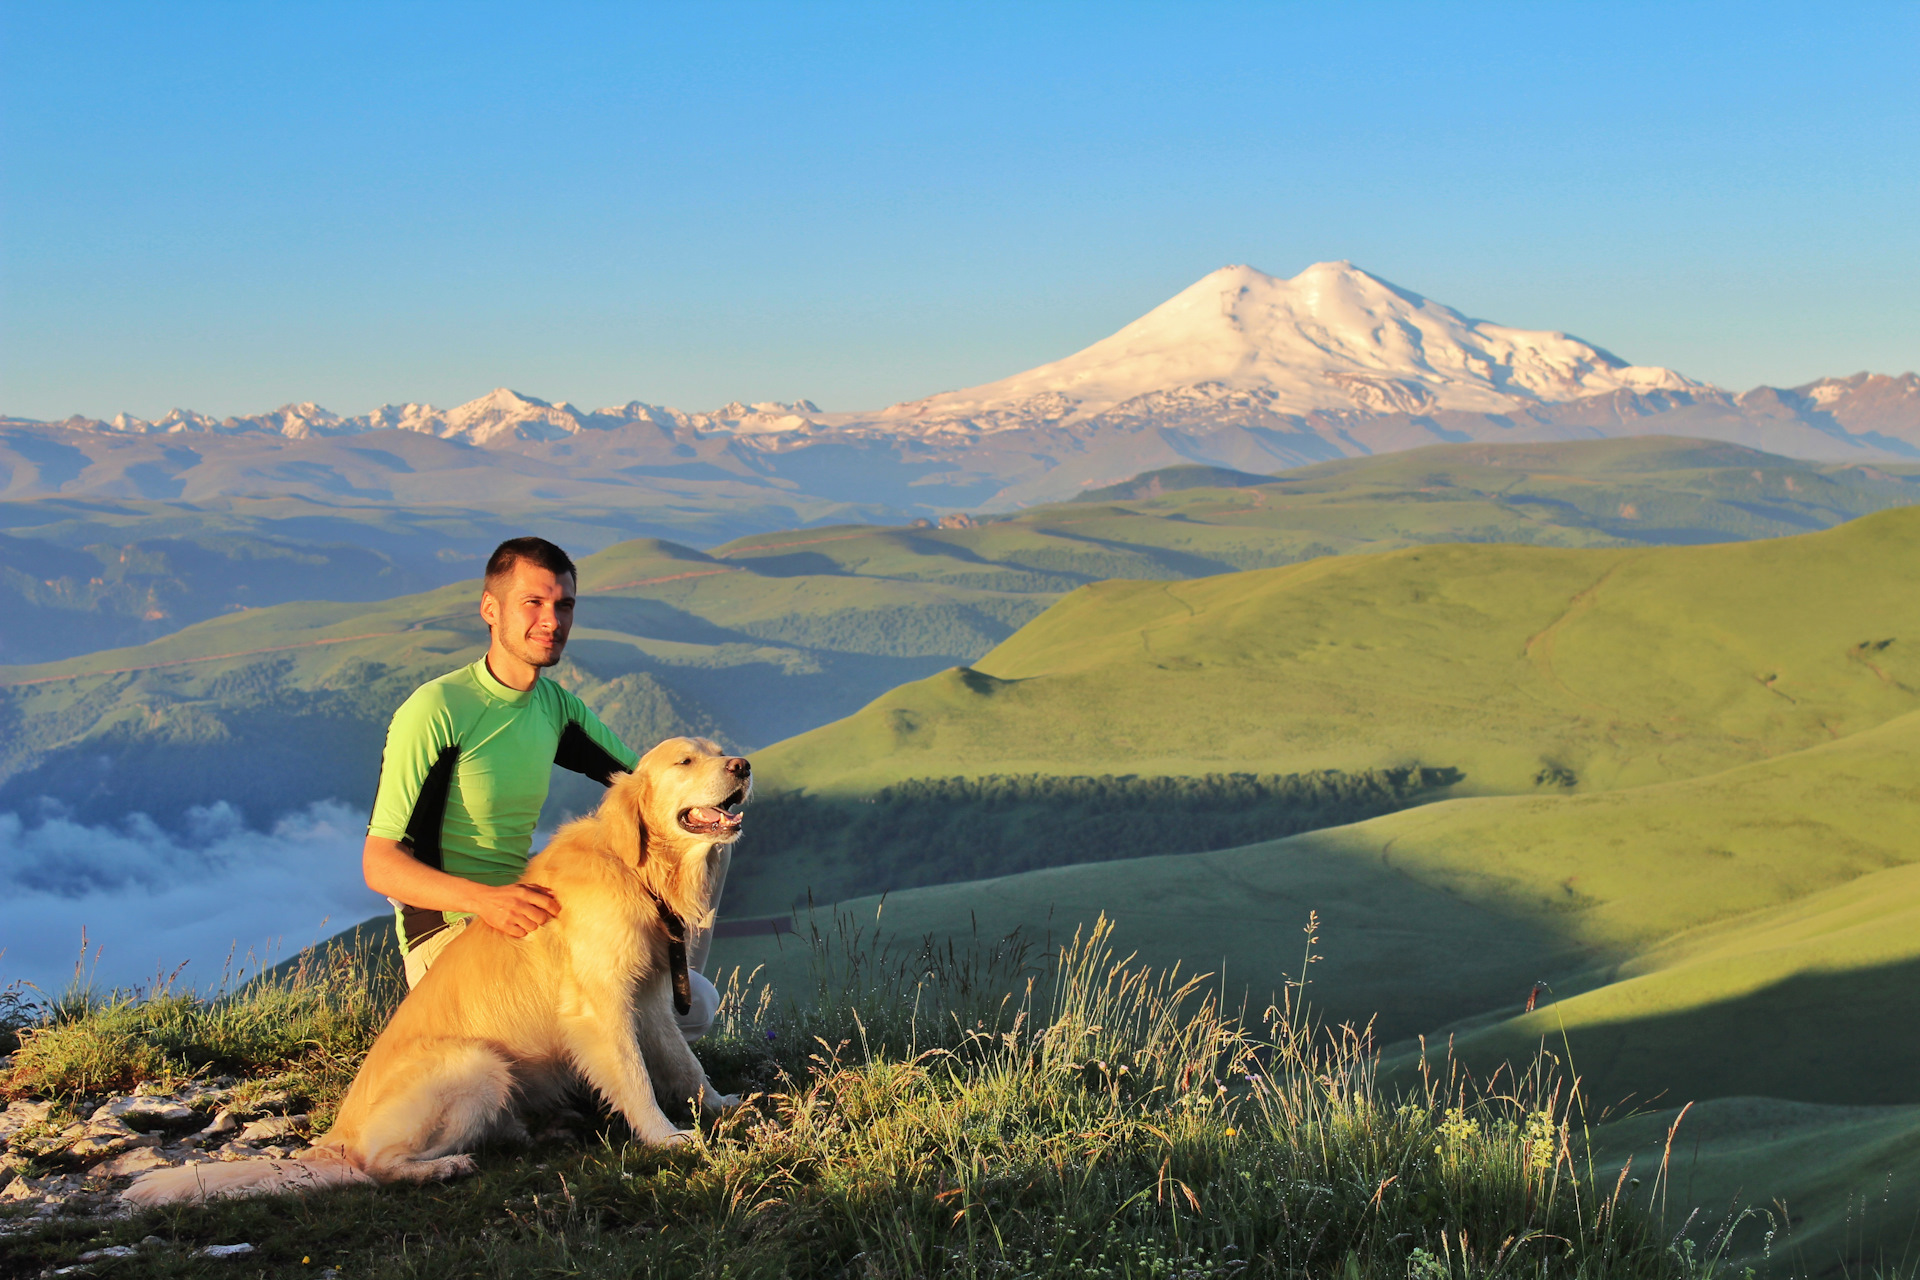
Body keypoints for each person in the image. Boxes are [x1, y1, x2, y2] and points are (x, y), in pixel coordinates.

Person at [361, 536, 722, 1040]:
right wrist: (487, 901)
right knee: (617, 1017)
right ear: (491, 608)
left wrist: (711, 790)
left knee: (707, 844)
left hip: (535, 919)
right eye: (533, 603)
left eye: (564, 605)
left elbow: (650, 788)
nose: (552, 621)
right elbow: (379, 863)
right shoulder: (437, 709)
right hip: (451, 937)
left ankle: (672, 984)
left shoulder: (555, 708)